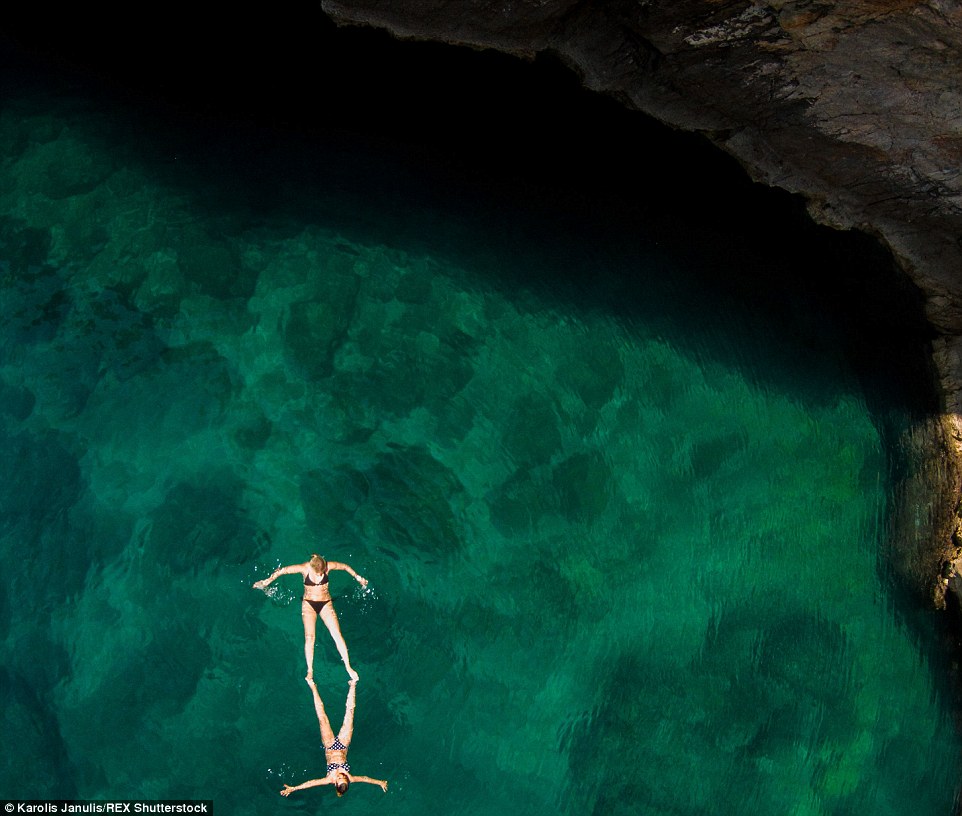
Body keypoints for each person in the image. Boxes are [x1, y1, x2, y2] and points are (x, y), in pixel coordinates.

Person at [253, 554, 366, 681]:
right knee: (310, 637)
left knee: (337, 634)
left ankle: (348, 666)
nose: (320, 575)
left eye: (322, 573)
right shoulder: (304, 568)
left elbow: (345, 566)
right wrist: (267, 581)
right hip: (309, 605)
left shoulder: (327, 566)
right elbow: (283, 570)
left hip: (325, 604)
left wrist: (358, 577)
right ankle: (310, 671)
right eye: (318, 573)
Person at [280, 677, 389, 798]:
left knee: (322, 717)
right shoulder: (350, 778)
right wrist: (380, 782)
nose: (342, 776)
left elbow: (312, 783)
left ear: (335, 783)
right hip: (343, 744)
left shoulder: (328, 779)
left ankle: (312, 685)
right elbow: (365, 778)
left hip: (330, 745)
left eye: (340, 779)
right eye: (344, 778)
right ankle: (353, 684)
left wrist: (294, 788)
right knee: (350, 714)